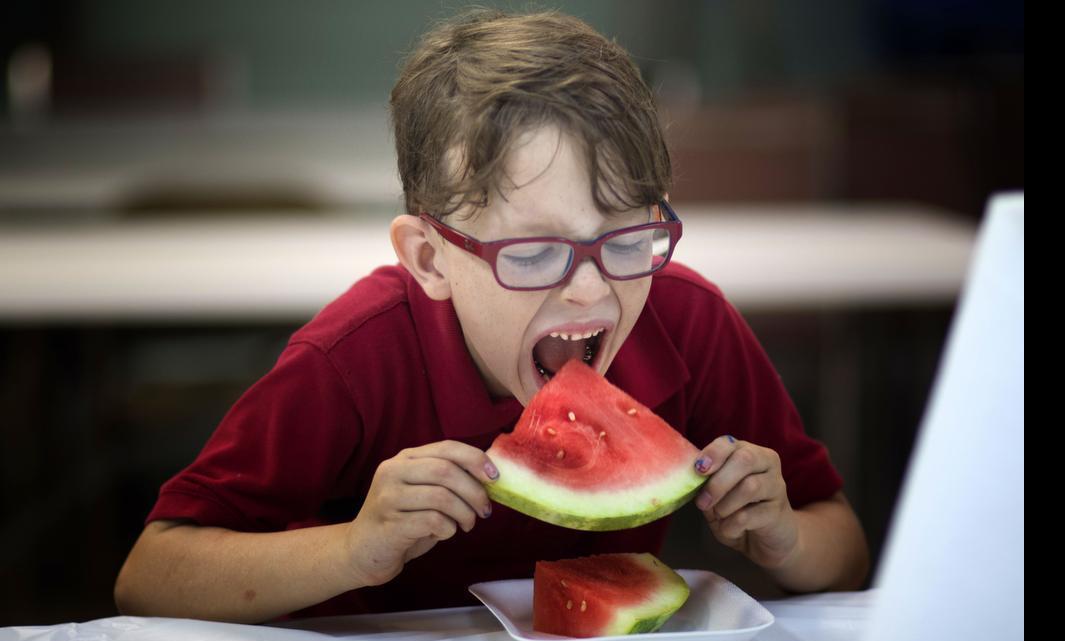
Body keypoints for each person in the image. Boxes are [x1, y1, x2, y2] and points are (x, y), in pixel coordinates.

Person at [114, 9, 869, 623]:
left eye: (628, 237)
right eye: (535, 253)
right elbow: (149, 575)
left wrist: (786, 536)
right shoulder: (354, 356)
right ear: (431, 259)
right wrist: (354, 548)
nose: (588, 288)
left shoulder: (688, 319)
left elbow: (844, 549)